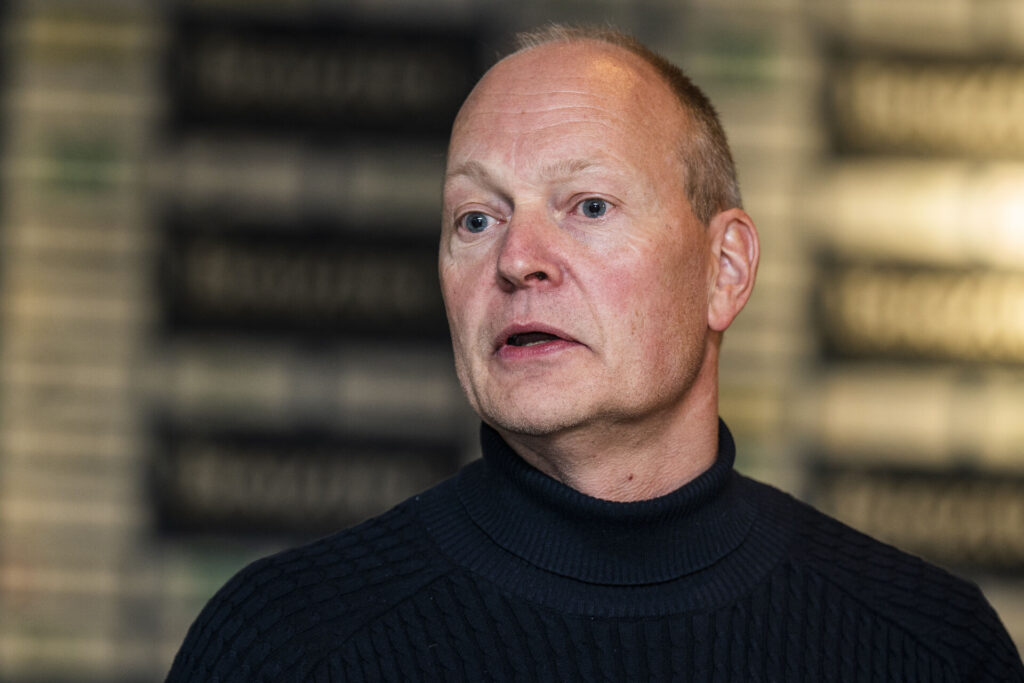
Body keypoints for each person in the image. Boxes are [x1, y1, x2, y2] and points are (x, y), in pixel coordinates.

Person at [167, 25, 1024, 682]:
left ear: (724, 271)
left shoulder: (928, 647)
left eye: (587, 206)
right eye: (476, 217)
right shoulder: (284, 642)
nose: (516, 257)